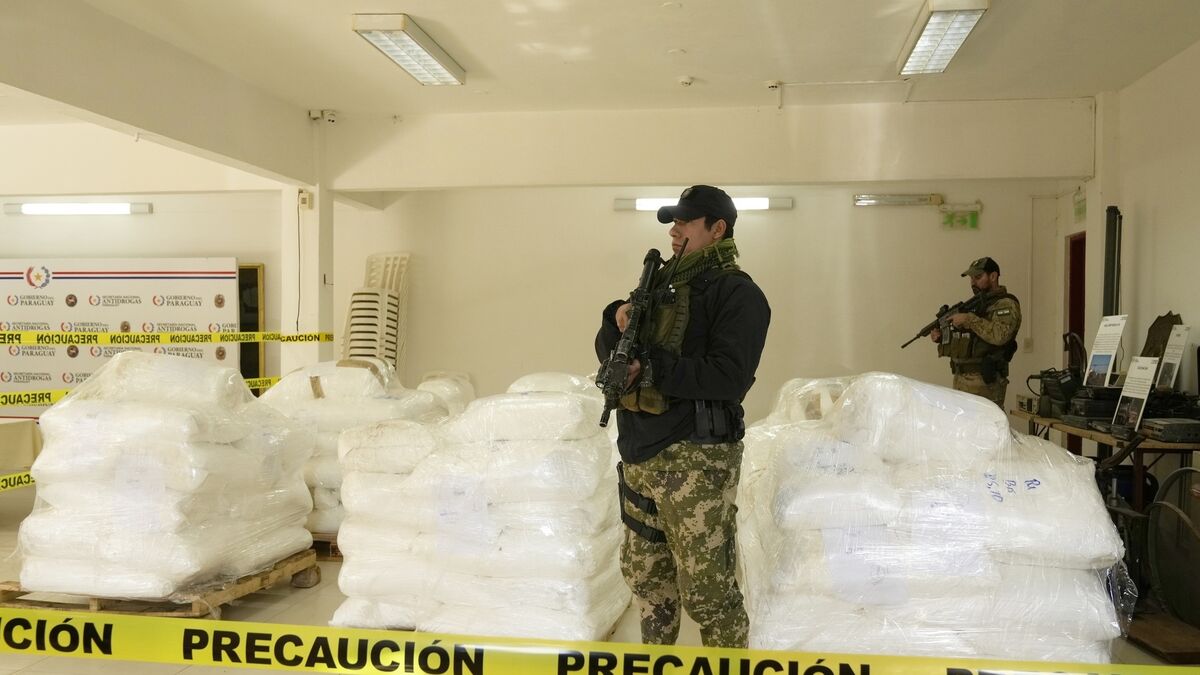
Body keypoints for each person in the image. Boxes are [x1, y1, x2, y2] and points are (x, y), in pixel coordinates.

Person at [594, 185, 770, 648]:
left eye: (685, 222)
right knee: (647, 583)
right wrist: (615, 319)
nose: (674, 232)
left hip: (696, 462)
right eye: (673, 223)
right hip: (640, 455)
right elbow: (613, 356)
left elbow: (729, 377)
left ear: (718, 229)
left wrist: (652, 367)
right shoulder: (657, 289)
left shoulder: (737, 293)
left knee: (709, 595)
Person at [930, 256, 1021, 408]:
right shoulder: (977, 305)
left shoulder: (1005, 304)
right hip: (961, 378)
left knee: (987, 423)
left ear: (993, 276)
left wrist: (968, 319)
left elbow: (1000, 336)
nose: (973, 283)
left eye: (978, 277)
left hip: (985, 382)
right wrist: (941, 337)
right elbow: (971, 339)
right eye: (971, 279)